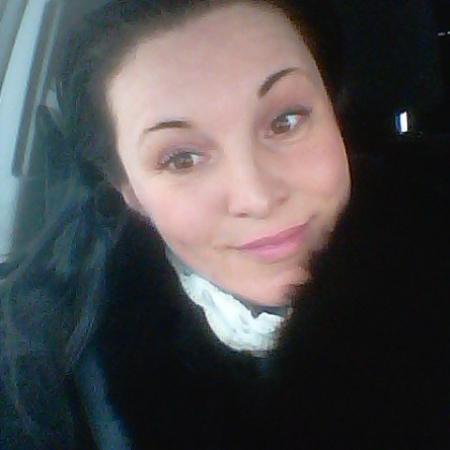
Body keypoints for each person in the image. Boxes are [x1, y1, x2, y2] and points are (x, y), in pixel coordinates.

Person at [1, 0, 449, 448]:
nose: (256, 197)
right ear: (129, 190)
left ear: (334, 114)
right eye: (182, 159)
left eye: (286, 121)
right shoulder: (42, 371)